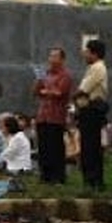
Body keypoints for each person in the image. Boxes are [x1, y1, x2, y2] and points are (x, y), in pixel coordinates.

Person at [33, 47, 73, 184]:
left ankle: (58, 177)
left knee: (55, 148)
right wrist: (39, 81)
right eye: (50, 56)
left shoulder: (65, 75)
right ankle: (45, 176)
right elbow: (36, 92)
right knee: (43, 147)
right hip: (42, 115)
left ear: (62, 59)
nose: (51, 59)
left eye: (55, 56)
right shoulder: (45, 74)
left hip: (56, 117)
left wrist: (46, 91)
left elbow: (59, 93)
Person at [75, 39, 109, 191]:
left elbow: (83, 90)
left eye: (87, 51)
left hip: (92, 110)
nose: (84, 54)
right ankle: (91, 180)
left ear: (94, 53)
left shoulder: (97, 67)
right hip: (88, 110)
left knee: (91, 147)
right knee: (89, 146)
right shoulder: (94, 67)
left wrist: (74, 97)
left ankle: (94, 181)